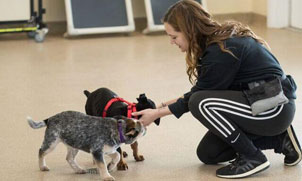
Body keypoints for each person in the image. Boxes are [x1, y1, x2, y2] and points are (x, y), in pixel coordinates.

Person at [132, 0, 302, 179]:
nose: (171, 42)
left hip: (275, 107)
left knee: (200, 103)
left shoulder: (221, 50)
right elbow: (200, 89)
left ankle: (253, 157)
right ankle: (281, 139)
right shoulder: (216, 42)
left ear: (189, 31)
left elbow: (195, 98)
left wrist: (157, 114)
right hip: (260, 101)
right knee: (209, 153)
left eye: (174, 36)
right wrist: (158, 107)